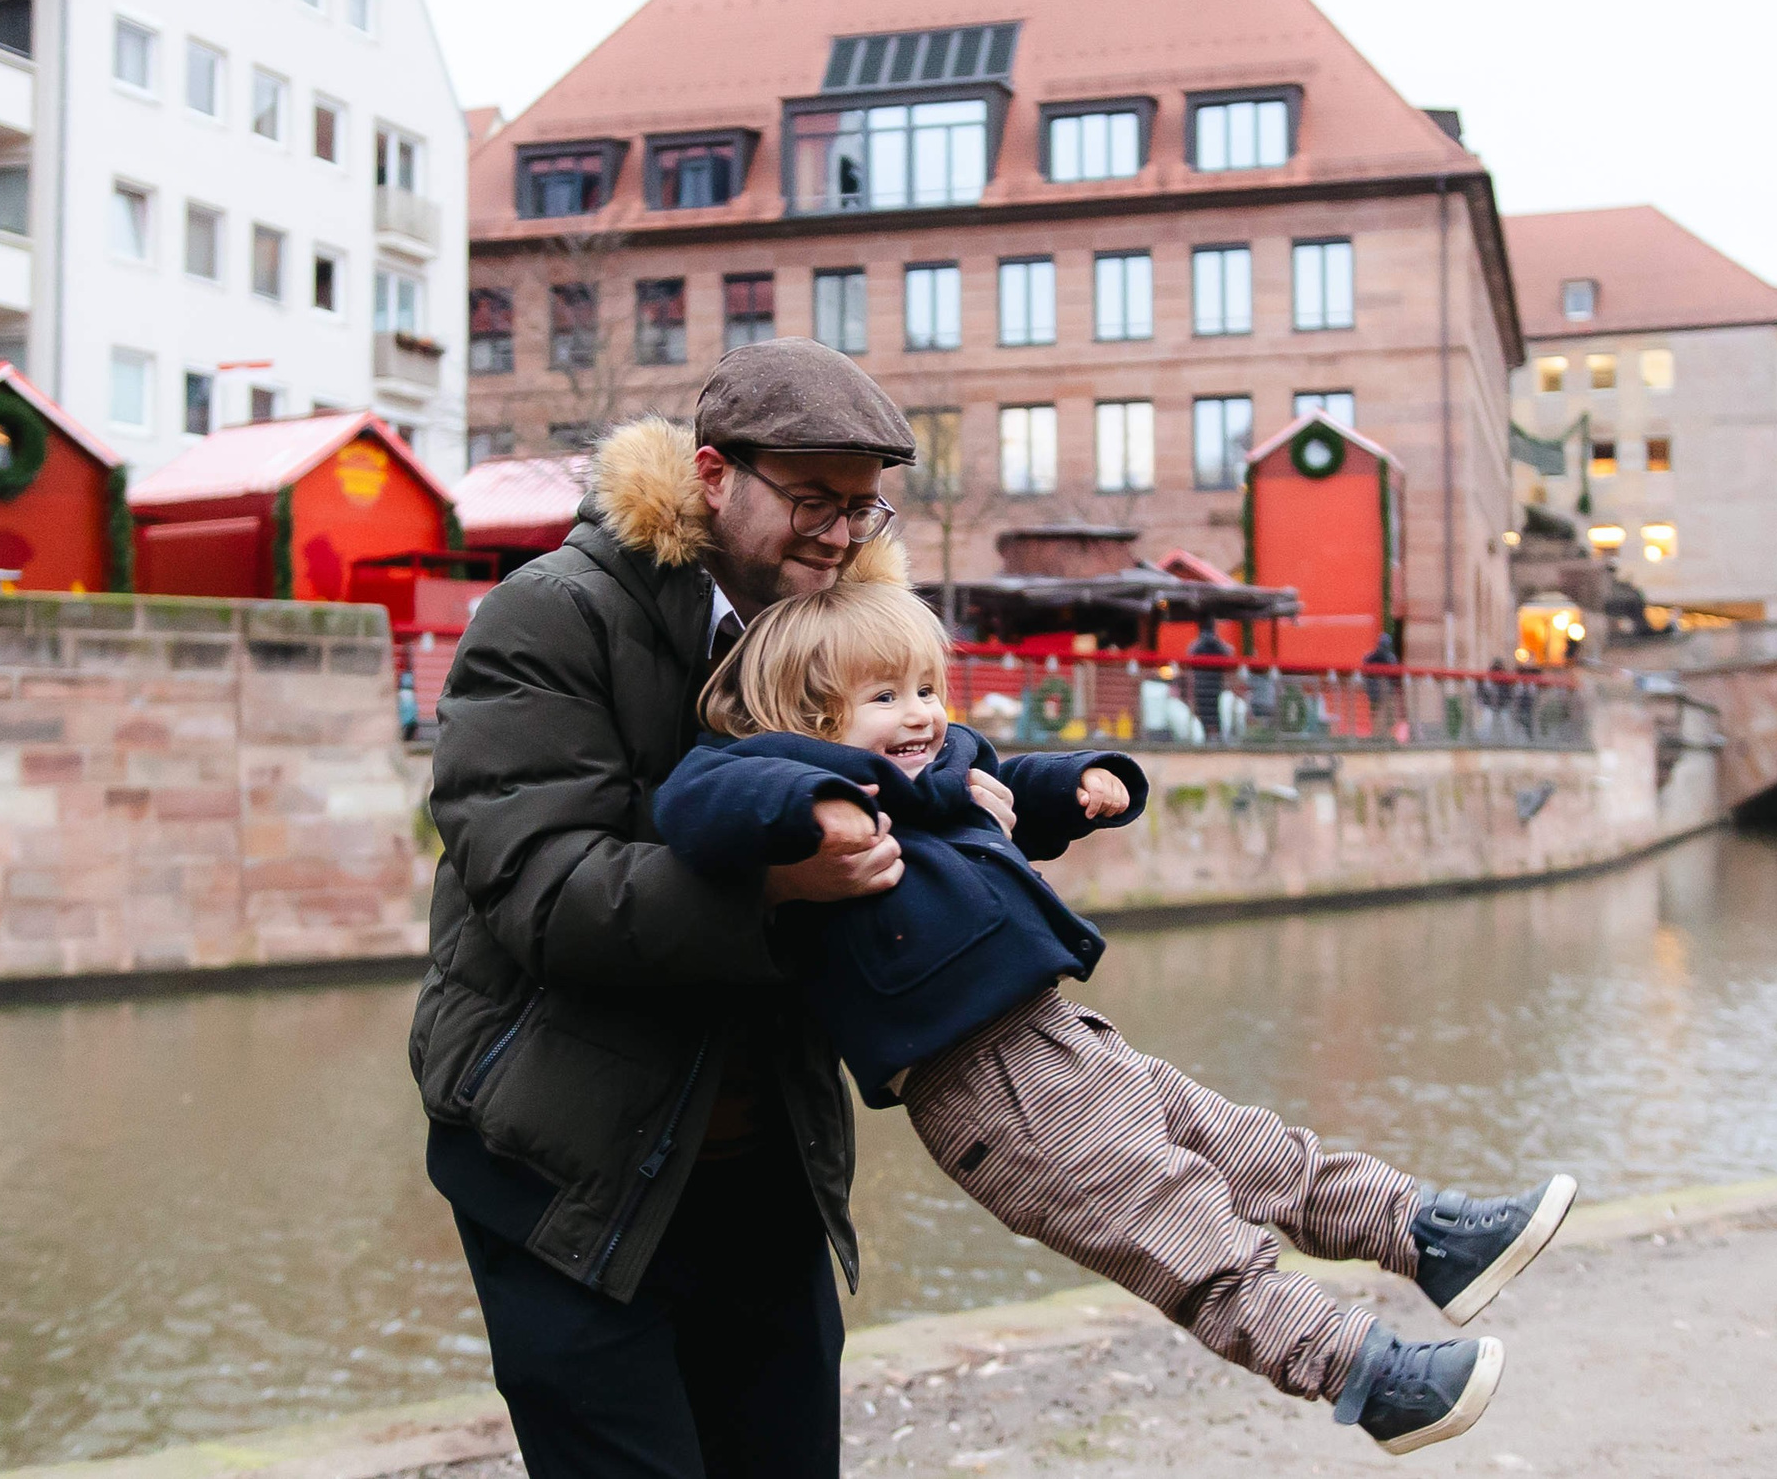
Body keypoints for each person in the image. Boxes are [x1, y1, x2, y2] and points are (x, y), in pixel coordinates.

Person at [656, 580, 1581, 1458]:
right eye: (886, 696)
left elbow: (1007, 778)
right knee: (1187, 1236)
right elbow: (696, 800)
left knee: (1256, 1153)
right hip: (982, 1088)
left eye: (929, 689)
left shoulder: (942, 769)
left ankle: (1432, 1236)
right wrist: (810, 804)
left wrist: (1084, 782)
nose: (922, 714)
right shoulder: (781, 781)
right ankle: (1373, 1377)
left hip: (1055, 1035)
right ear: (811, 722)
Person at [409, 340, 1020, 1479]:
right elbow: (544, 889)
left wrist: (972, 820)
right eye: (810, 501)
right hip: (564, 1160)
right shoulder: (549, 615)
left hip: (762, 1156)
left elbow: (899, 798)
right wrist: (777, 882)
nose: (839, 537)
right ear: (709, 473)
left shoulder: (833, 630)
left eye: (862, 508)